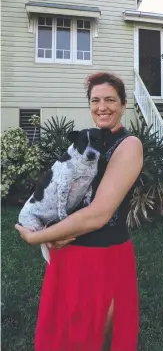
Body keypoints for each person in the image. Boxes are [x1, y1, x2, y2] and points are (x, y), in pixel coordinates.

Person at [15, 72, 143, 351]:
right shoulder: (87, 141)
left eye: (110, 99)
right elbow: (60, 188)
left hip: (103, 257)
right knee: (66, 336)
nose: (102, 107)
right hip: (69, 253)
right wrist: (46, 226)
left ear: (123, 104)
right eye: (95, 100)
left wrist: (37, 237)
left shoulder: (128, 145)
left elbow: (99, 213)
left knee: (98, 339)